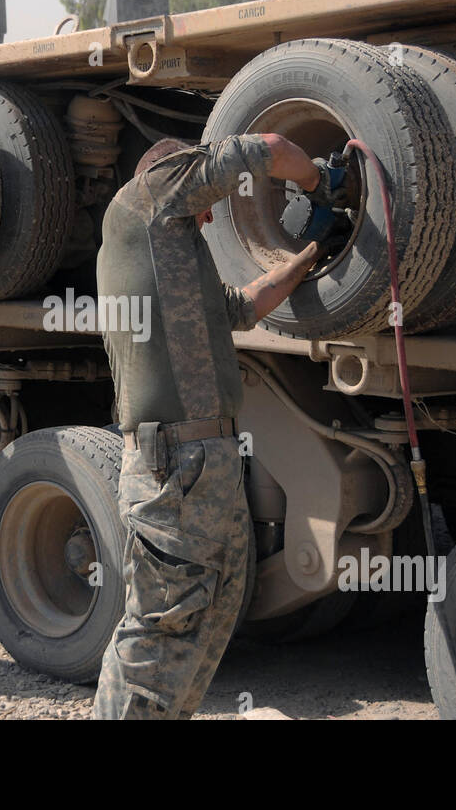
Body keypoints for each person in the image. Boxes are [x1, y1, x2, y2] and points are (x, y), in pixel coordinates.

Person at [92, 133, 347, 719]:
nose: (209, 218)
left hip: (201, 464)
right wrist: (320, 182)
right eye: (204, 202)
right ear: (176, 177)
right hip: (175, 467)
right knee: (162, 628)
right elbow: (268, 145)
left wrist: (309, 252)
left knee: (208, 618)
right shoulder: (149, 195)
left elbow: (243, 306)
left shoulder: (168, 257)